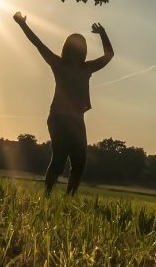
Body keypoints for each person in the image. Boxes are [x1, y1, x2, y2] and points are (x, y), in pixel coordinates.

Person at [12, 11, 114, 196]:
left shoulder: (87, 67)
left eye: (80, 46)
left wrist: (103, 33)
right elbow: (38, 44)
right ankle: (47, 195)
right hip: (59, 117)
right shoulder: (58, 64)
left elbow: (109, 54)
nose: (78, 49)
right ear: (68, 48)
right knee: (59, 158)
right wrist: (22, 24)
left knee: (79, 162)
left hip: (76, 119)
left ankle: (68, 198)